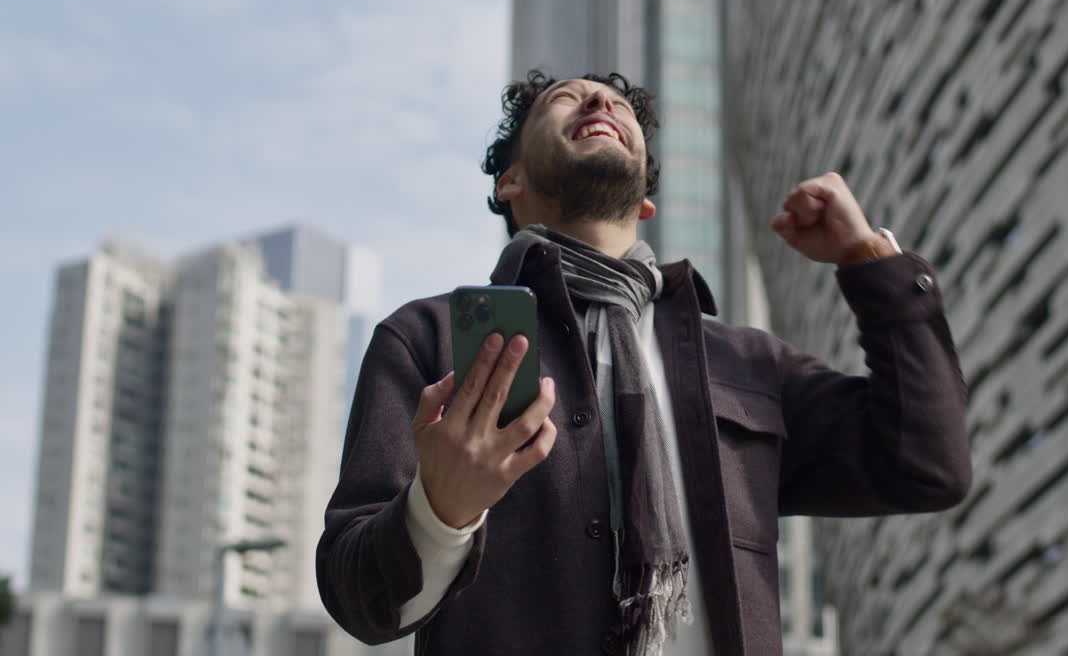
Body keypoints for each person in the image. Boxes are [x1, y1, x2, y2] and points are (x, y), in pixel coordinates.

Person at [316, 70, 971, 656]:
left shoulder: (745, 362)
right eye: (564, 98)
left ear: (645, 201)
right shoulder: (427, 341)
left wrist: (871, 264)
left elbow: (925, 465)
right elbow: (361, 603)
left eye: (617, 104)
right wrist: (440, 511)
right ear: (509, 180)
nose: (601, 99)